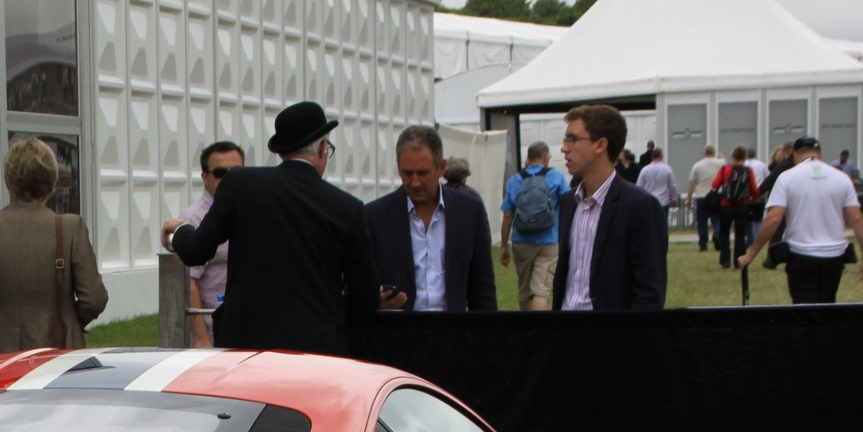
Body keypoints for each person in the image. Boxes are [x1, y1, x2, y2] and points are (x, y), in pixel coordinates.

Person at [158, 100, 378, 354]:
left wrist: (182, 230)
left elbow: (196, 250)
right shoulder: (348, 208)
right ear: (322, 148)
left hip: (247, 346)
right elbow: (365, 298)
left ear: (282, 151)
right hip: (318, 348)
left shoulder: (240, 184)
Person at [0, 138, 109, 352]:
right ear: (52, 181)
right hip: (57, 351)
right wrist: (68, 319)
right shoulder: (70, 226)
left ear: (8, 181)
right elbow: (94, 299)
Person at [365, 125, 495, 312]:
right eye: (407, 173)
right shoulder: (375, 216)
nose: (415, 182)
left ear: (441, 168)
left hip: (452, 335)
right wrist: (373, 300)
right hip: (397, 334)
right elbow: (355, 288)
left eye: (423, 173)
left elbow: (483, 289)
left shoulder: (469, 212)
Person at [553, 104, 668, 311]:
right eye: (565, 140)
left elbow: (649, 292)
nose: (564, 148)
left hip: (612, 338)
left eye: (573, 139)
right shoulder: (568, 202)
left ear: (600, 145)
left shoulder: (640, 207)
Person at [737, 135, 863, 303]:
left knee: (804, 308)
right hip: (834, 256)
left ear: (795, 154)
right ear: (820, 154)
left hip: (801, 254)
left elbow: (773, 218)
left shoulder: (787, 178)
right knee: (827, 303)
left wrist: (751, 254)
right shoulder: (841, 178)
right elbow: (857, 219)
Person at [174, 141, 245, 347]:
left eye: (236, 172)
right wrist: (202, 339)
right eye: (221, 172)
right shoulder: (194, 219)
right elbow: (189, 282)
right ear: (205, 177)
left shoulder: (248, 211)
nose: (229, 179)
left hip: (242, 329)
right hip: (212, 333)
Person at [499, 140, 569, 311]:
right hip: (549, 240)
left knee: (524, 290)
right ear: (546, 157)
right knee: (541, 290)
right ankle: (539, 331)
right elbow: (569, 205)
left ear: (528, 158)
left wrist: (503, 246)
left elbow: (507, 215)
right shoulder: (556, 177)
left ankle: (526, 330)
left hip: (521, 241)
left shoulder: (514, 180)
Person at [710, 146, 758, 269]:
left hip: (726, 205)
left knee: (725, 233)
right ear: (745, 157)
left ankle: (725, 260)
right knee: (740, 234)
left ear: (733, 156)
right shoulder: (748, 170)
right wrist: (753, 199)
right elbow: (754, 189)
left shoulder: (725, 169)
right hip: (743, 205)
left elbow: (715, 184)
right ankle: (738, 261)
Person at [686, 144, 725, 252]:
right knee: (717, 219)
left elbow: (692, 183)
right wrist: (722, 157)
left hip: (701, 196)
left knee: (702, 221)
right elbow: (726, 167)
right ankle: (717, 233)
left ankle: (703, 245)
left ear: (704, 153)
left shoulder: (697, 165)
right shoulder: (721, 163)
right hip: (716, 195)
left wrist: (689, 198)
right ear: (714, 152)